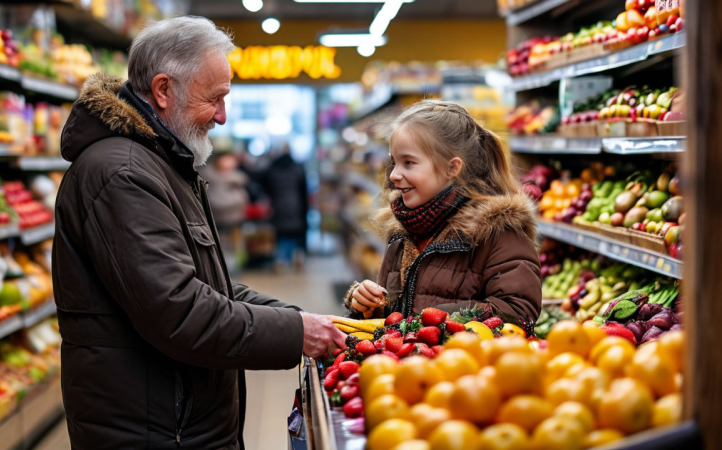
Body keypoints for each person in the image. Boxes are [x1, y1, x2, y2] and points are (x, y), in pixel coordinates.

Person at [53, 16, 345, 449]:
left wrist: (301, 320)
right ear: (164, 90)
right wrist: (296, 333)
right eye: (215, 99)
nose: (222, 117)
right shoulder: (124, 174)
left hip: (174, 421)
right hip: (154, 431)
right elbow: (180, 312)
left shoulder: (162, 163)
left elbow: (211, 288)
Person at [344, 100, 541, 325]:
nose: (393, 175)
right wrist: (369, 306)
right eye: (394, 162)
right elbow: (392, 319)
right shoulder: (403, 232)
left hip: (463, 350)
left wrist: (428, 320)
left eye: (408, 163)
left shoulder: (498, 233)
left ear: (452, 168)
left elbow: (518, 310)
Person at [260, 145, 309, 271]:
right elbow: (304, 191)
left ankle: (280, 260)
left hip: (277, 205)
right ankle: (297, 256)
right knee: (296, 232)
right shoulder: (297, 168)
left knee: (280, 234)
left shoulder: (272, 169)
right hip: (295, 204)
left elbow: (262, 185)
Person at [199, 151, 249, 273]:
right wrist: (237, 201)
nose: (229, 162)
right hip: (216, 219)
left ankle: (234, 268)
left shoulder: (238, 178)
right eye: (226, 159)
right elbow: (215, 200)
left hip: (235, 219)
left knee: (235, 246)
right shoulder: (210, 177)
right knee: (220, 245)